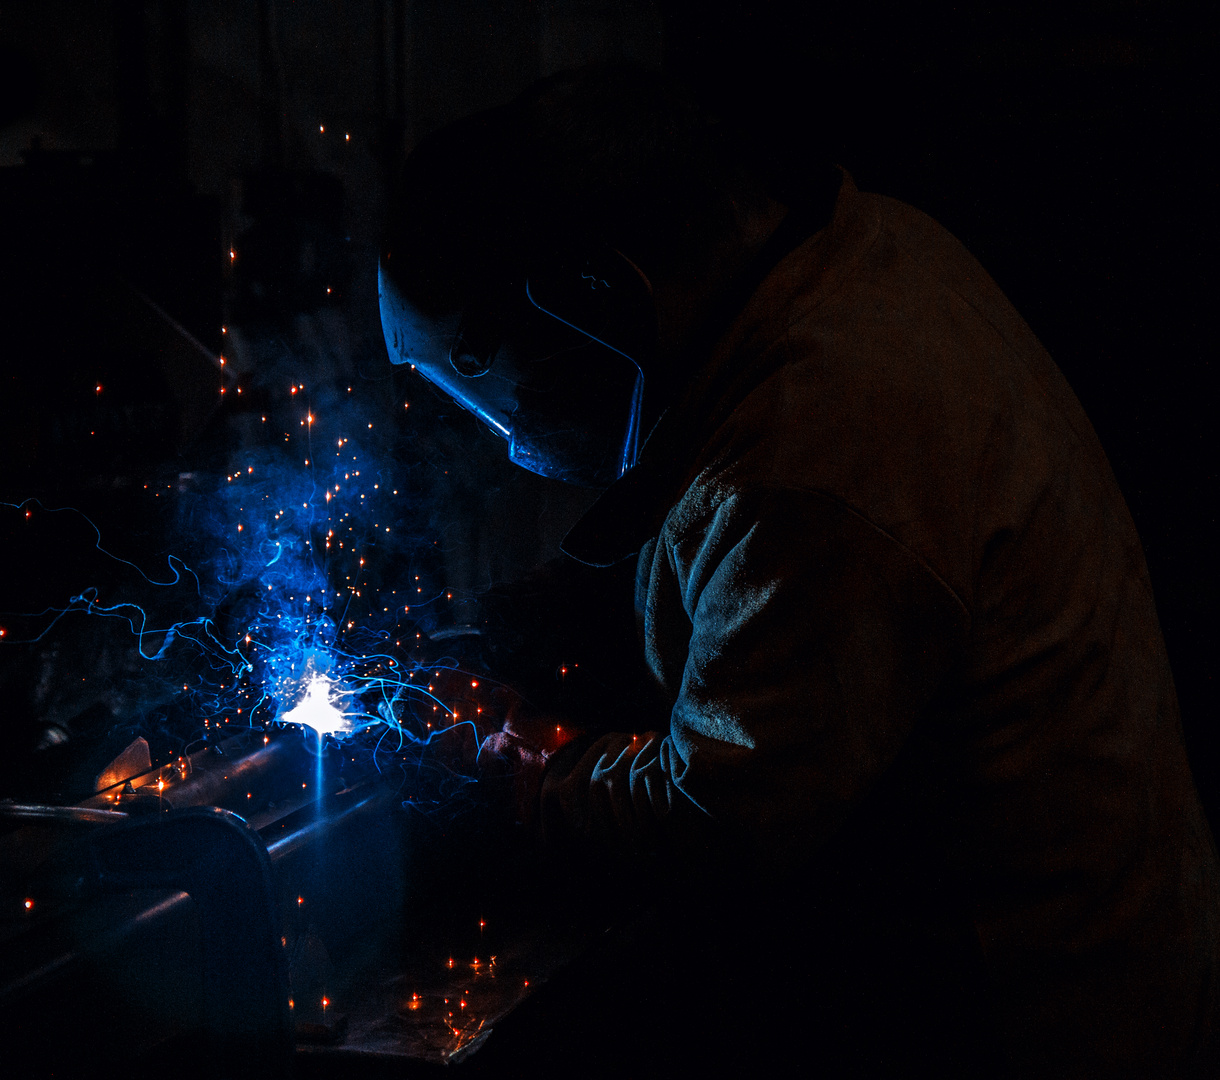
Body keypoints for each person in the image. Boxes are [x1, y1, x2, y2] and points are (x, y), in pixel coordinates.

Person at [378, 66, 1217, 1077]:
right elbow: (755, 571)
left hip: (1029, 1018)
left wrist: (534, 778)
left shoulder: (815, 454)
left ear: (599, 294)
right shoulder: (858, 262)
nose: (499, 435)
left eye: (481, 393)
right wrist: (553, 619)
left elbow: (721, 820)